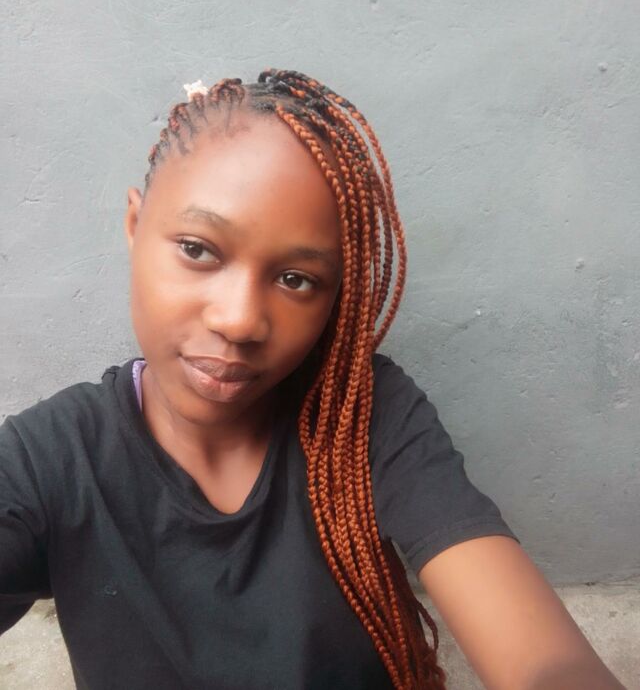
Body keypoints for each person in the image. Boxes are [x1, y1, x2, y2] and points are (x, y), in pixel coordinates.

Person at [0, 70, 624, 689]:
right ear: (136, 226)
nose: (240, 320)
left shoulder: (365, 416)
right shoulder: (46, 461)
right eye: (197, 249)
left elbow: (545, 665)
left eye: (296, 280)